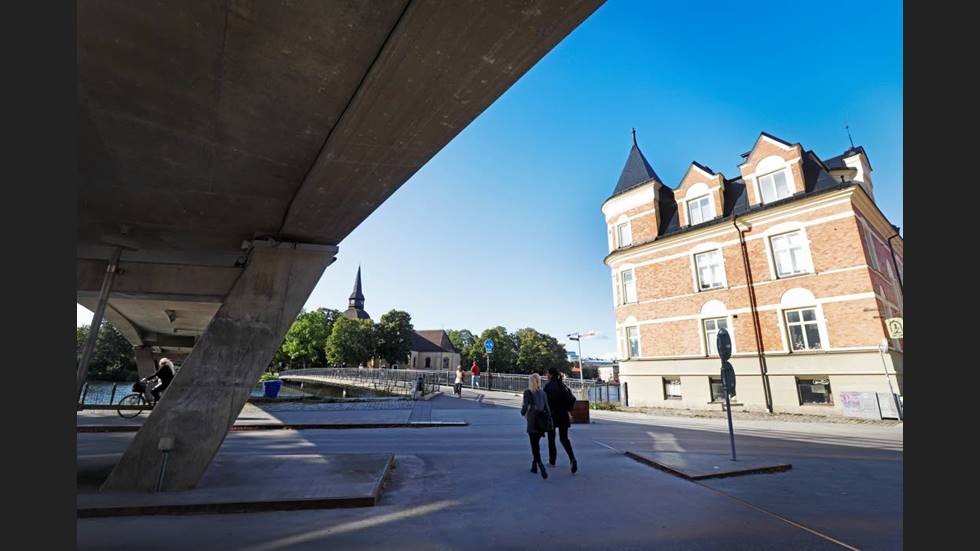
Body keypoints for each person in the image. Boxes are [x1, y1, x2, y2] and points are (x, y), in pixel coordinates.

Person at [544, 367, 578, 474]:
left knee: (551, 438)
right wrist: (568, 410)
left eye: (547, 374)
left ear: (550, 375)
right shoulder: (562, 385)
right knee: (564, 439)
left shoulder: (548, 387)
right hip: (563, 415)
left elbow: (545, 402)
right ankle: (572, 458)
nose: (546, 375)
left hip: (552, 416)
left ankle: (552, 460)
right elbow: (572, 399)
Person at [520, 373, 552, 480]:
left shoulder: (527, 392)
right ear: (539, 381)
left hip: (532, 421)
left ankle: (540, 465)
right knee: (536, 444)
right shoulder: (543, 393)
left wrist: (523, 412)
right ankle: (534, 465)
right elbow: (547, 409)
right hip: (541, 422)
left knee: (534, 447)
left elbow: (524, 408)